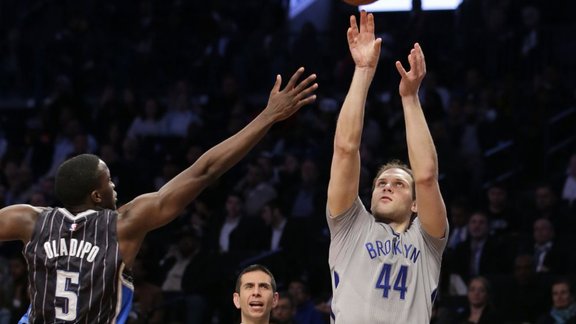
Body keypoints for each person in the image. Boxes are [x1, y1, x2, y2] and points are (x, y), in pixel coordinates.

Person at [0, 67, 318, 323]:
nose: (115, 188)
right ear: (96, 196)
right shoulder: (123, 224)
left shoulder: (27, 219)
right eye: (108, 183)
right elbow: (204, 171)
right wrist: (267, 117)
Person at [326, 11, 448, 323]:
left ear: (416, 204)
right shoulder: (349, 227)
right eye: (381, 183)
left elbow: (426, 175)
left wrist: (410, 99)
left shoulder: (428, 240)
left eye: (398, 184)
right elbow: (344, 150)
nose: (387, 186)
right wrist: (363, 72)